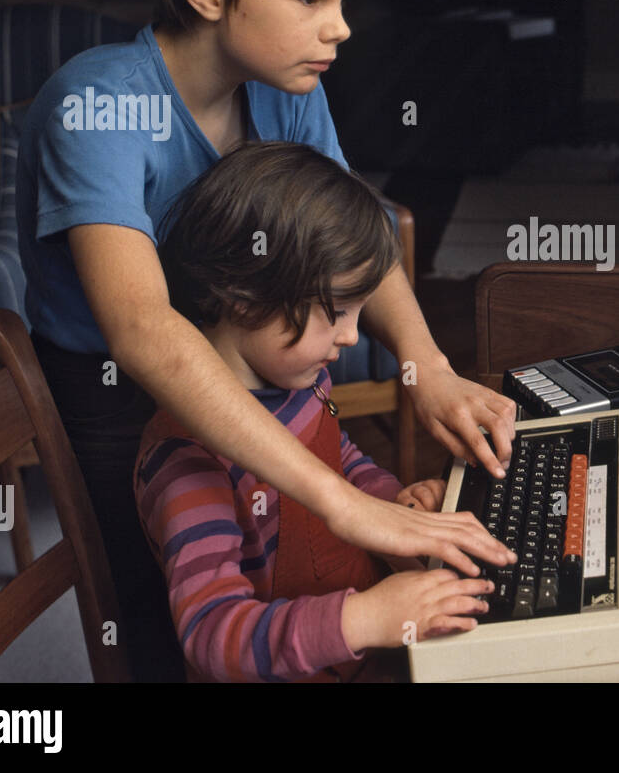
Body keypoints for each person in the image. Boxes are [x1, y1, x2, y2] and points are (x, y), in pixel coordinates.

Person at [16, 0, 515, 681]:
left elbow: (353, 232)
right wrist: (348, 504)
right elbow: (141, 328)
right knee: (173, 625)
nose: (342, 26)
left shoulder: (291, 89)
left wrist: (426, 365)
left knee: (300, 572)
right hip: (122, 396)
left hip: (245, 361)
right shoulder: (96, 106)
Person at [135, 142, 493, 682]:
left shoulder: (297, 379)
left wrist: (392, 502)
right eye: (336, 312)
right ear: (243, 295)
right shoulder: (186, 460)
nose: (352, 336)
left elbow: (340, 458)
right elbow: (210, 634)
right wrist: (368, 618)